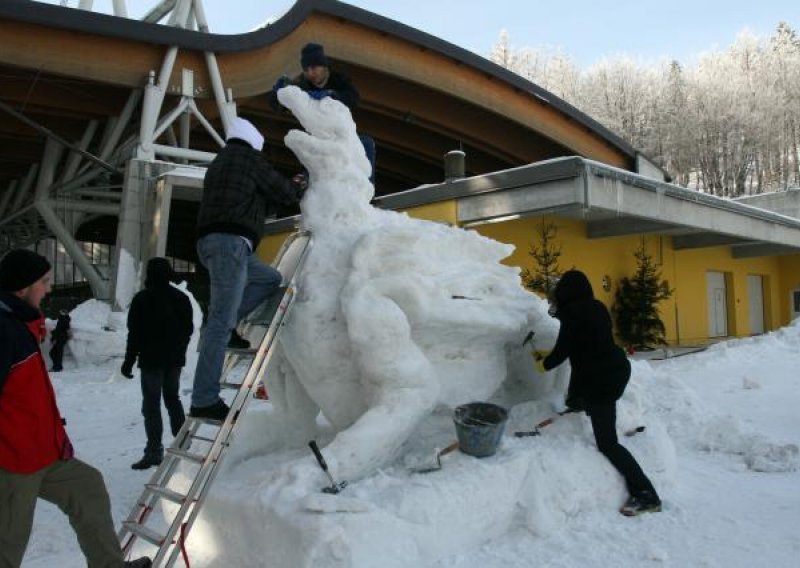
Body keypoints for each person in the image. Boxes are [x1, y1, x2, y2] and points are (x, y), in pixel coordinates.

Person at [0, 249, 151, 568]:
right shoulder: (3, 330)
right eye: (44, 282)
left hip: (44, 453)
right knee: (8, 544)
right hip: (13, 462)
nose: (49, 288)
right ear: (22, 286)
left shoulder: (23, 325)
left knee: (88, 488)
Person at [190, 117, 304, 421]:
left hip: (214, 243)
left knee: (269, 278)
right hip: (231, 244)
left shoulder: (221, 164)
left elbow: (250, 200)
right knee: (218, 323)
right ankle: (204, 399)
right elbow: (282, 192)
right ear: (254, 143)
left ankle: (231, 325)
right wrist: (296, 185)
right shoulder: (249, 160)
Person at [533, 269, 662, 516]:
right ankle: (581, 403)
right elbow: (584, 347)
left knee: (608, 443)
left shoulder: (572, 313)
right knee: (580, 399)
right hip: (612, 368)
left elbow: (563, 351)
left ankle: (646, 494)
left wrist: (543, 362)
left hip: (602, 380)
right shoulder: (597, 306)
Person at [121, 258, 193, 470]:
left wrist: (129, 360)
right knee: (173, 399)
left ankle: (154, 452)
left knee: (151, 405)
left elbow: (134, 333)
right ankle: (182, 444)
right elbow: (188, 329)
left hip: (151, 360)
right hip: (174, 360)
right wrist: (178, 349)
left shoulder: (142, 299)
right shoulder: (180, 298)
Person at [268, 42, 376, 181]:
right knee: (316, 156)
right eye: (306, 70)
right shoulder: (303, 86)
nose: (310, 73)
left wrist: (333, 95)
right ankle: (306, 180)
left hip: (341, 136)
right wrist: (277, 93)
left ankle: (367, 190)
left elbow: (353, 98)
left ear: (323, 65)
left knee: (366, 143)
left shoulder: (339, 80)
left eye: (314, 68)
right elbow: (279, 106)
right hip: (319, 137)